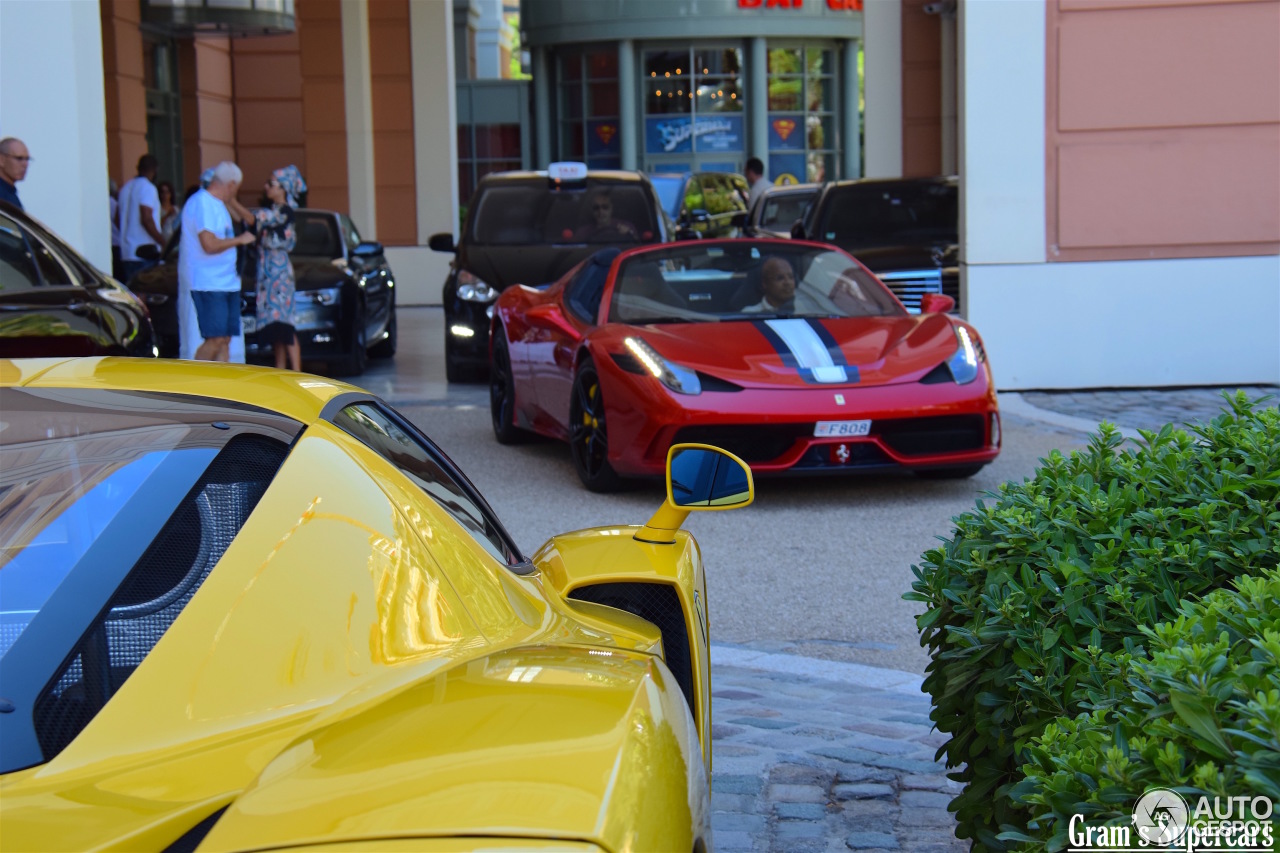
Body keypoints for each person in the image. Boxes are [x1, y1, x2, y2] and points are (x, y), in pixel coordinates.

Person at [180, 161, 255, 362]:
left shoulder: (219, 204)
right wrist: (240, 240)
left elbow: (248, 219)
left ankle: (221, 387)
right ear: (231, 184)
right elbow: (209, 244)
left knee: (225, 339)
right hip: (209, 284)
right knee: (215, 339)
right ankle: (195, 383)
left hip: (226, 282)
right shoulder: (202, 203)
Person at [253, 165, 306, 371]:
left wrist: (230, 202)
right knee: (276, 330)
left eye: (271, 184)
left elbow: (256, 221)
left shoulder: (285, 212)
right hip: (269, 276)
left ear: (283, 188)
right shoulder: (275, 211)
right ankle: (281, 370)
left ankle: (296, 372)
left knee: (286, 325)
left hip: (280, 276)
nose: (266, 187)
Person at [118, 154, 165, 280]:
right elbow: (146, 218)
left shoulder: (125, 188)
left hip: (126, 252)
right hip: (144, 253)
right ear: (155, 170)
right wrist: (163, 241)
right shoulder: (148, 188)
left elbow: (117, 218)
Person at [742, 256, 823, 315]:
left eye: (791, 277)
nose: (788, 282)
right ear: (765, 283)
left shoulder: (808, 310)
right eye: (780, 278)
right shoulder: (750, 314)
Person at [573, 190, 638, 242]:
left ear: (611, 208)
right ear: (592, 211)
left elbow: (638, 246)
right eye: (596, 208)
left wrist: (629, 234)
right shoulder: (582, 232)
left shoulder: (626, 226)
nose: (601, 211)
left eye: (605, 207)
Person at [0, 136, 30, 209]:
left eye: (27, 159)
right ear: (1, 160)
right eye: (19, 158)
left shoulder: (12, 198)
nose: (25, 164)